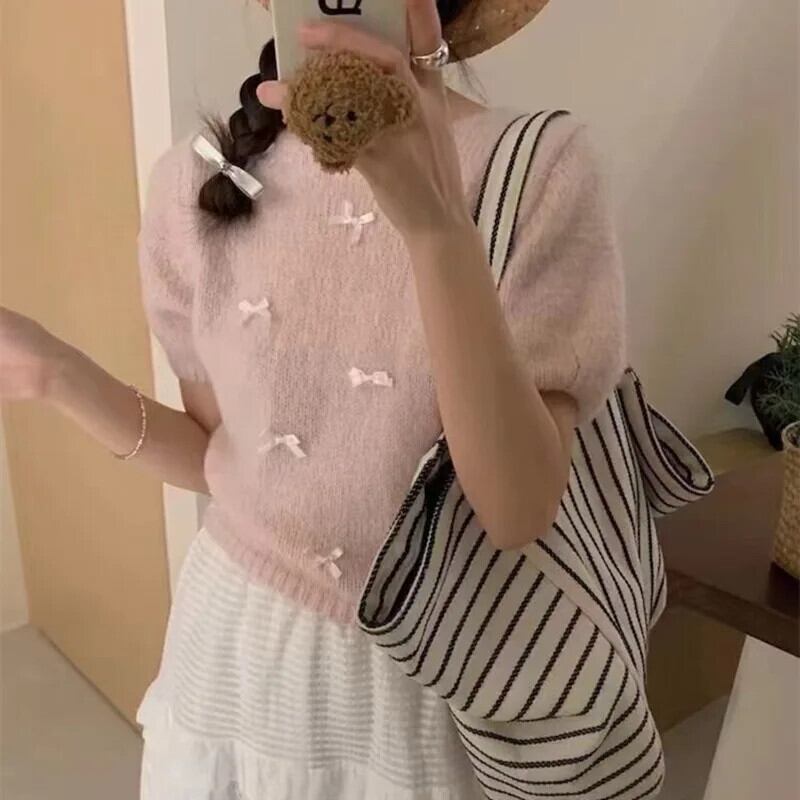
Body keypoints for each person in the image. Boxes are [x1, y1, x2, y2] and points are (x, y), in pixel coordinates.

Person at [0, 0, 626, 797]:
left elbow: (516, 511)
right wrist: (55, 374)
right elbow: (219, 456)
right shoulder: (196, 177)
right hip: (227, 658)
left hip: (423, 685)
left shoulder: (538, 171)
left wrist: (437, 231)